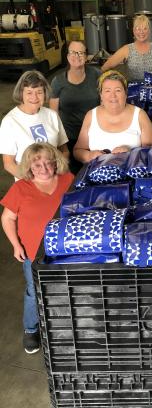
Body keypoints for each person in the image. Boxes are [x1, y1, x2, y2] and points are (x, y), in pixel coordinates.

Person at [0, 143, 74, 354]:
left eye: (47, 162)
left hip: (66, 251)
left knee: (66, 289)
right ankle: (31, 329)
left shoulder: (69, 180)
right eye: (36, 164)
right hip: (35, 253)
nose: (43, 168)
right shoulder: (20, 188)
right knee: (34, 292)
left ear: (55, 162)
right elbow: (7, 218)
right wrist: (15, 245)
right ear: (29, 167)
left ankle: (65, 326)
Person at [73, 70, 152, 163]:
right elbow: (78, 150)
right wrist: (89, 155)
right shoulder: (91, 115)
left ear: (126, 94)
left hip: (132, 174)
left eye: (118, 90)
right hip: (96, 174)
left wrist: (131, 153)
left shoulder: (140, 115)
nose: (113, 96)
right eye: (107, 91)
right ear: (101, 95)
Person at [0, 70, 69, 179]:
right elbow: (8, 163)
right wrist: (34, 182)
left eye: (39, 92)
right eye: (29, 92)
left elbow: (64, 150)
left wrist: (58, 171)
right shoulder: (9, 121)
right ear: (21, 93)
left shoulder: (51, 115)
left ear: (45, 93)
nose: (35, 97)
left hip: (55, 178)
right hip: (28, 183)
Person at [50, 40, 100, 171]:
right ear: (67, 56)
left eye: (81, 53)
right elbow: (53, 116)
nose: (77, 56)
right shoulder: (57, 82)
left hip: (94, 135)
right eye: (72, 52)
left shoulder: (96, 75)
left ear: (86, 56)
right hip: (70, 138)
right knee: (74, 176)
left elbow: (105, 102)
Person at [101, 14, 152, 80]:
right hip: (133, 89)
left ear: (149, 31)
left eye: (145, 28)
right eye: (138, 29)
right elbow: (105, 67)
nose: (142, 32)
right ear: (133, 31)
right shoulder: (126, 49)